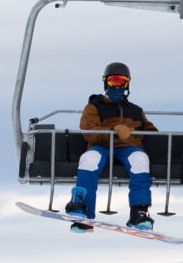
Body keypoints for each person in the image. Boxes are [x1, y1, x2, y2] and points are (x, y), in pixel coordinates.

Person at [64, 62, 157, 231]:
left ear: (127, 84)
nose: (118, 86)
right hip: (102, 146)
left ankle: (139, 212)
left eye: (121, 82)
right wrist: (112, 132)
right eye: (114, 81)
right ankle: (81, 206)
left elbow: (151, 132)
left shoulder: (136, 110)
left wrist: (139, 135)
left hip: (128, 147)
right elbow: (88, 131)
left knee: (140, 159)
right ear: (106, 83)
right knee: (89, 159)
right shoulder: (94, 107)